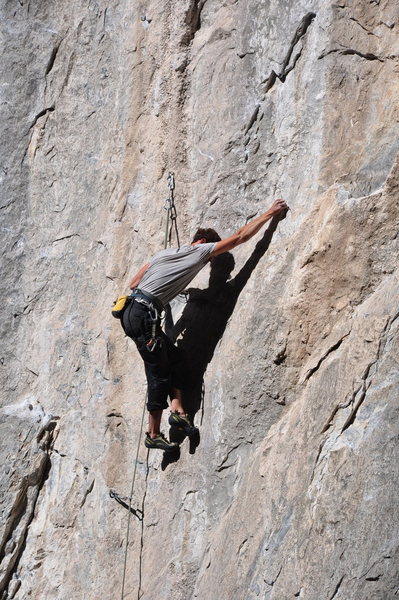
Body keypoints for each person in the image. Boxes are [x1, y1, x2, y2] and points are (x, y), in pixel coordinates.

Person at [122, 198, 288, 451]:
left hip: (135, 311)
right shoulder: (199, 251)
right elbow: (240, 237)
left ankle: (177, 410)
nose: (212, 262)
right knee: (158, 372)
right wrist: (270, 215)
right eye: (213, 253)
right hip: (144, 315)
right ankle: (153, 433)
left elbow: (134, 283)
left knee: (174, 358)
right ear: (203, 243)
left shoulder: (162, 255)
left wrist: (168, 288)